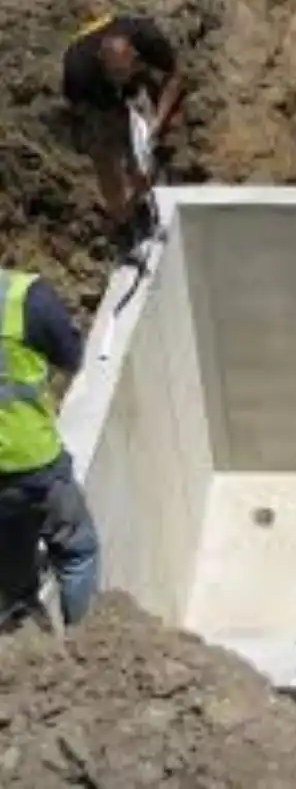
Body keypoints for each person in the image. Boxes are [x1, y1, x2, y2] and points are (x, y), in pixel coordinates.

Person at [0, 268, 100, 629]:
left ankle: (20, 615)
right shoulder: (26, 298)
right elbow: (71, 357)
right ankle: (88, 647)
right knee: (77, 552)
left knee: (11, 560)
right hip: (34, 463)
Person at [62, 10, 183, 250]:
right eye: (116, 75)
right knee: (106, 153)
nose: (122, 78)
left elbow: (176, 75)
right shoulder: (81, 72)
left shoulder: (148, 38)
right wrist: (133, 162)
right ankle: (122, 219)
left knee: (164, 126)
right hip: (95, 95)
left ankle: (159, 178)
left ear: (136, 56)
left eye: (126, 72)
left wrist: (157, 125)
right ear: (103, 64)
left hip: (126, 72)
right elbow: (109, 124)